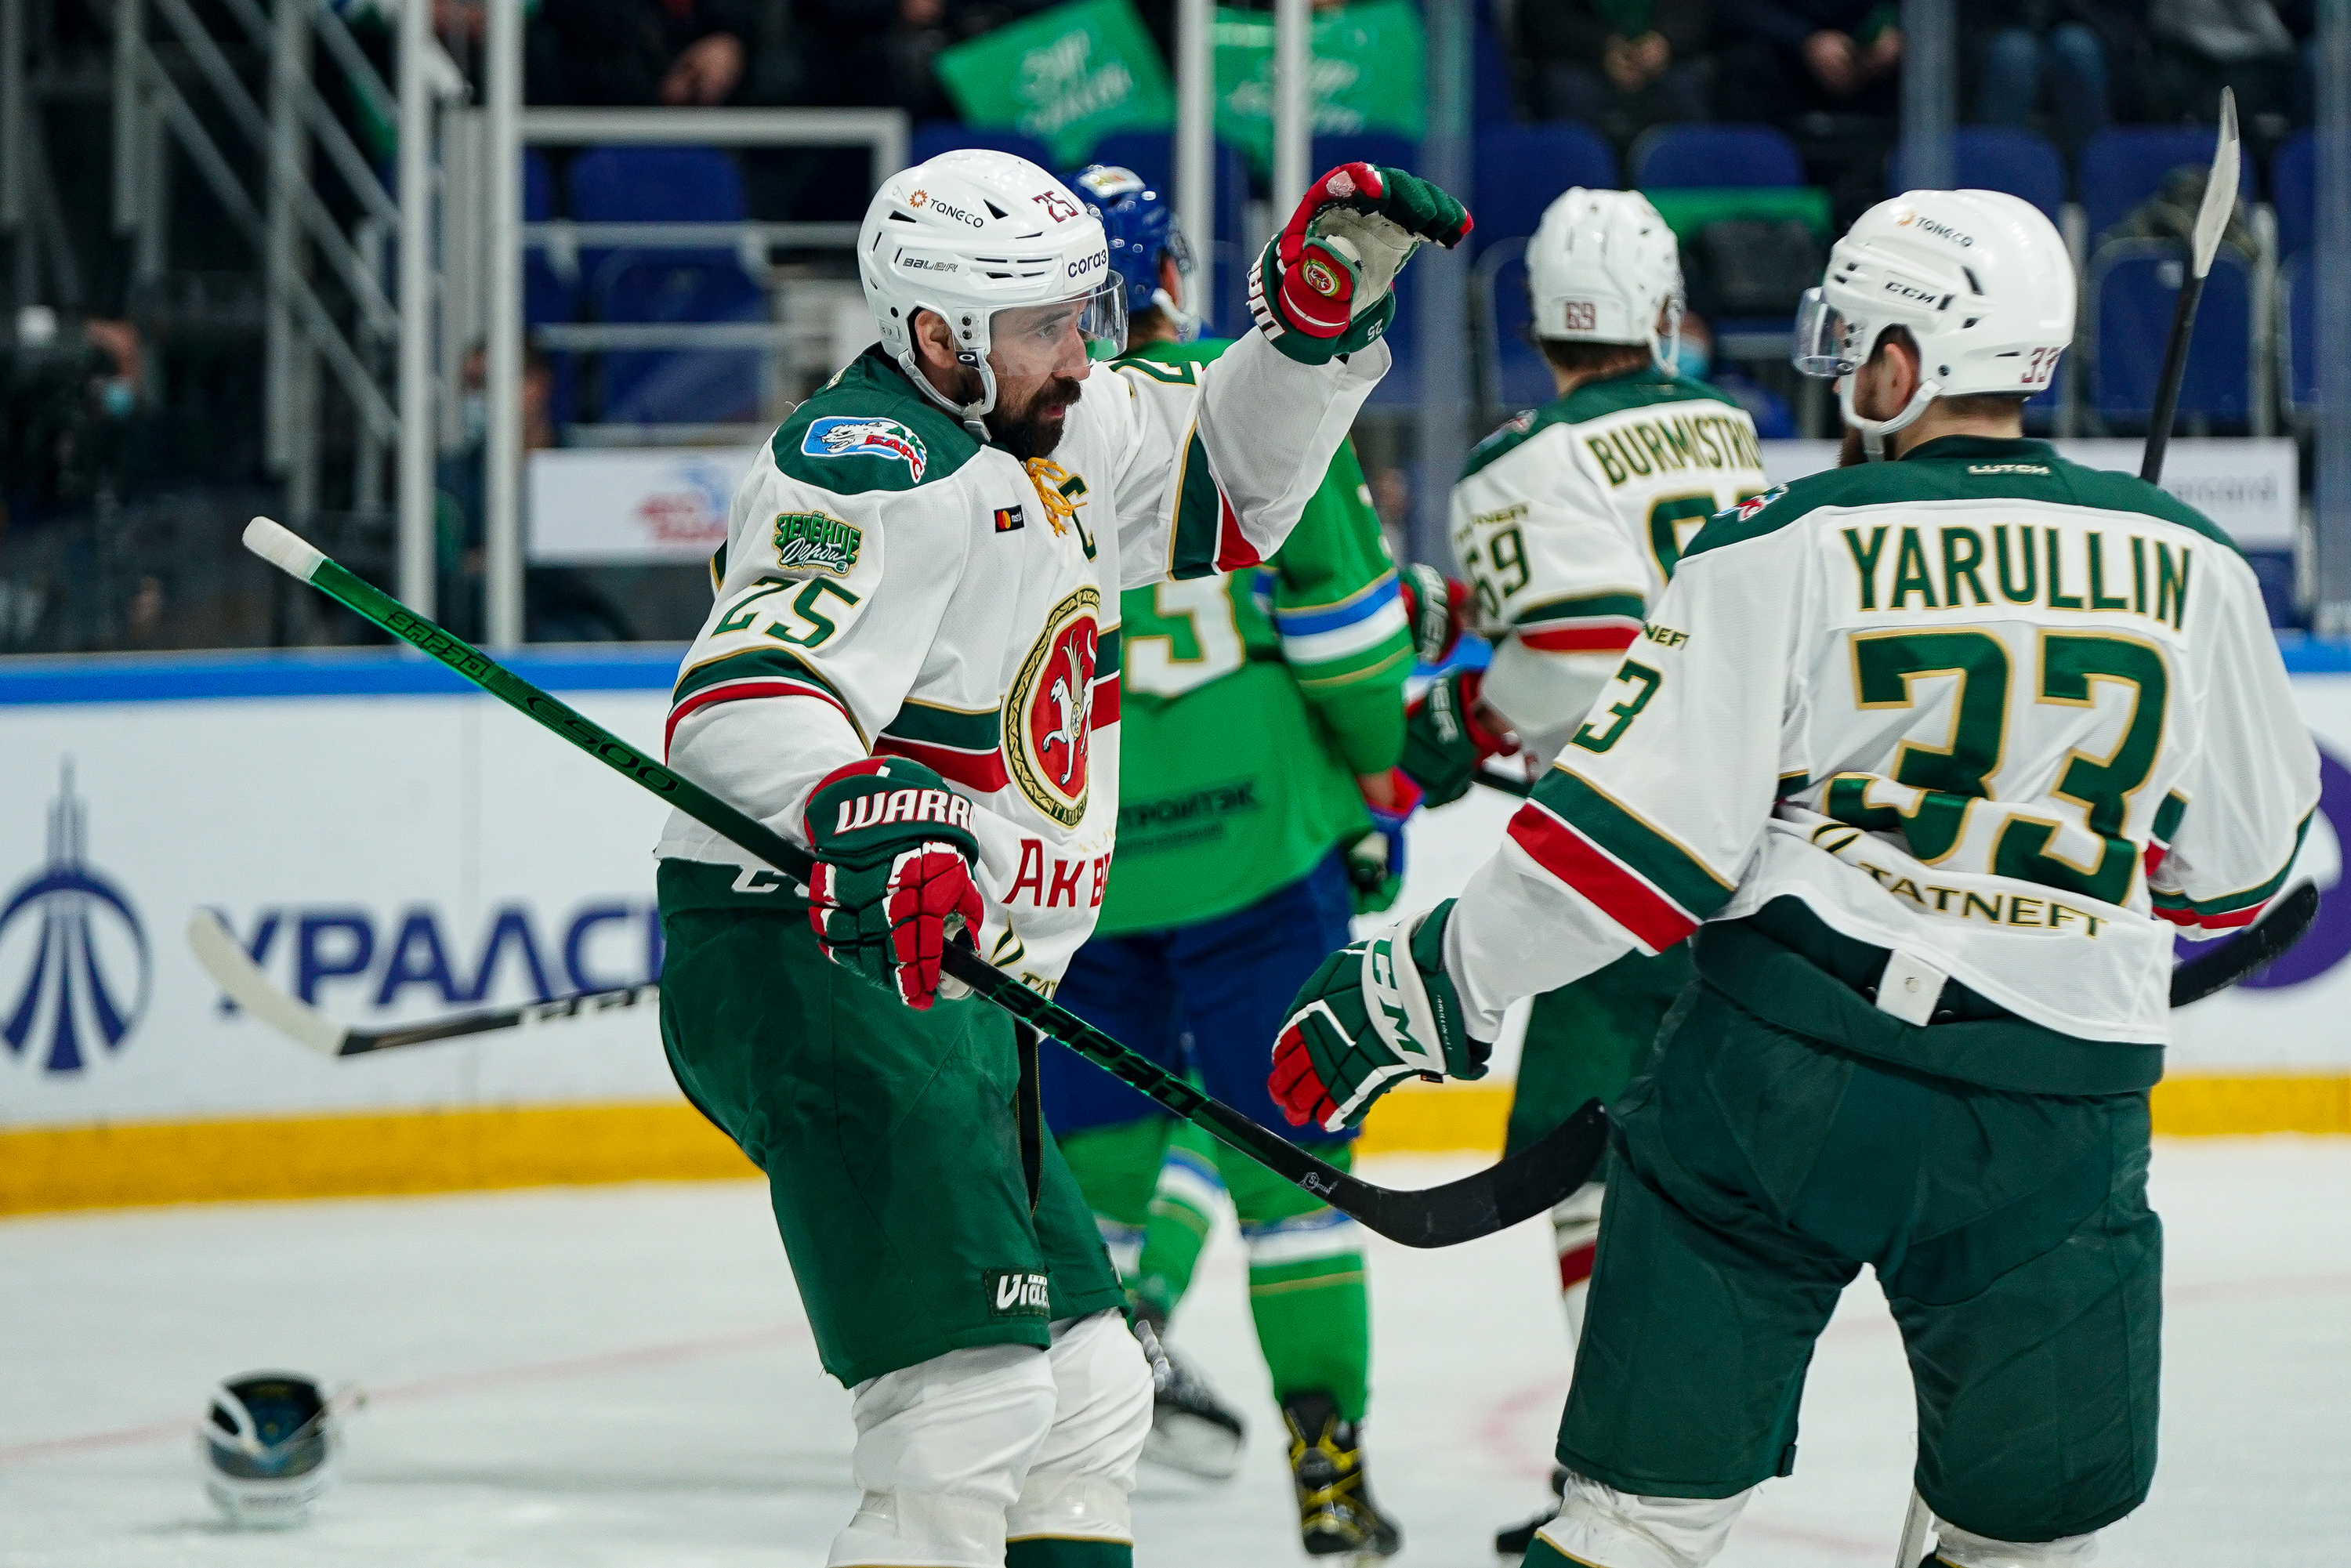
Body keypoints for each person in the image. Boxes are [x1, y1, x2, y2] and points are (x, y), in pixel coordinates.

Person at [1273, 188, 2320, 1568]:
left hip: (1786, 1083)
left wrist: (1417, 991)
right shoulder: (2194, 566)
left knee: (1635, 1520)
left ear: (1908, 364)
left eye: (1856, 342)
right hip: (2055, 1119)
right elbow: (2238, 872)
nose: (1842, 377)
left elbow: (1624, 855)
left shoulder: (1789, 536)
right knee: (2020, 1539)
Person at [654, 148, 1469, 1568]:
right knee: (966, 1406)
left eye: (1084, 315)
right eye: (1046, 327)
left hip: (953, 984)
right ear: (936, 336)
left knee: (1090, 1399)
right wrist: (852, 800)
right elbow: (743, 695)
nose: (1084, 355)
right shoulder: (862, 465)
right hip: (825, 962)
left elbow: (1230, 474)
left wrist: (1312, 324)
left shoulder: (1051, 432)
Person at [1035, 163, 1459, 1560]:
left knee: (1085, 1191)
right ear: (1164, 278)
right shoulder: (1245, 395)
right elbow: (1348, 639)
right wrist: (1373, 780)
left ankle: (1063, 1479)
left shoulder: (1002, 435)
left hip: (1077, 880)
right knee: (1292, 1191)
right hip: (1258, 860)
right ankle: (1328, 1474)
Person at [1405, 188, 1766, 1557]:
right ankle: (1644, 1465)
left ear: (1537, 323)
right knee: (1699, 1158)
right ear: (1664, 311)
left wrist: (1473, 719)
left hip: (1626, 859)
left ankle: (1621, 1474)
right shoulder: (1724, 423)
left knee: (1589, 1168)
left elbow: (1575, 639)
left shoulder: (1516, 458)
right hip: (1754, 839)